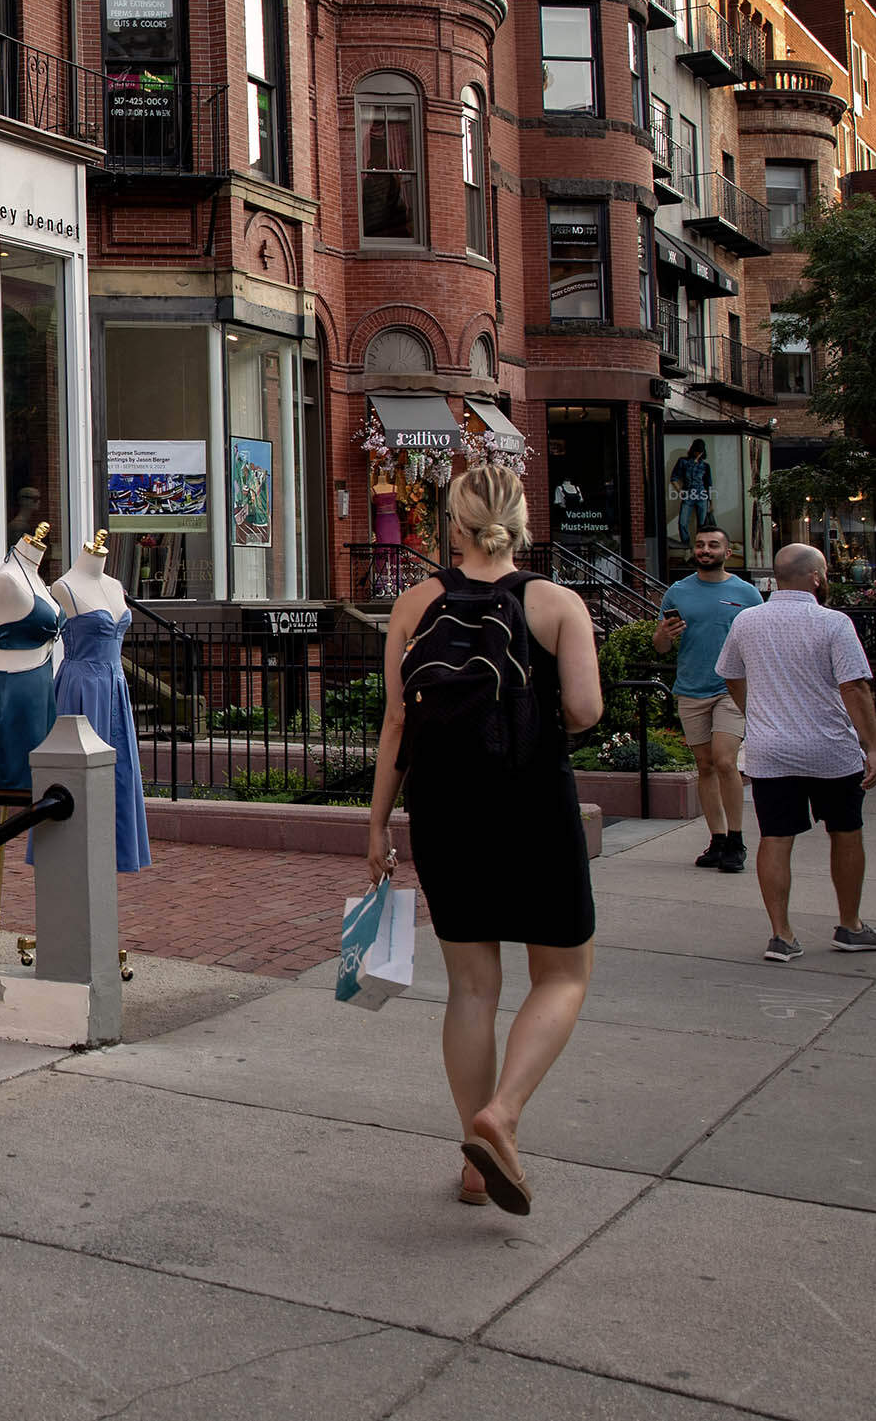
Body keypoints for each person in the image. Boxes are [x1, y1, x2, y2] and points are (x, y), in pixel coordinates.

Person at [363, 465, 601, 1219]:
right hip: (535, 807)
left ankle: (474, 1162)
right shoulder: (557, 603)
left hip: (445, 813)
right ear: (522, 519)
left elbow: (397, 725)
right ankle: (503, 1114)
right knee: (562, 974)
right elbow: (586, 710)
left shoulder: (412, 605)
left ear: (452, 525)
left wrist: (376, 824)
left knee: (471, 987)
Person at [718, 544, 876, 962]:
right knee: (846, 832)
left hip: (771, 750)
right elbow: (854, 686)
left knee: (775, 837)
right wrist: (873, 745)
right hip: (830, 748)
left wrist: (756, 712)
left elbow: (731, 675)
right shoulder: (833, 622)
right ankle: (849, 925)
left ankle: (782, 934)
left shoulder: (747, 620)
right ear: (816, 577)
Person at [654, 526, 763, 873]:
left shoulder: (747, 594)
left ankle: (736, 839)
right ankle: (716, 839)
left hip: (731, 689)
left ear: (727, 552)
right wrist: (662, 634)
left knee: (726, 762)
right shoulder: (677, 592)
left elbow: (762, 642)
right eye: (699, 545)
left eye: (713, 545)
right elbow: (662, 648)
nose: (705, 550)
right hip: (690, 688)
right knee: (705, 766)